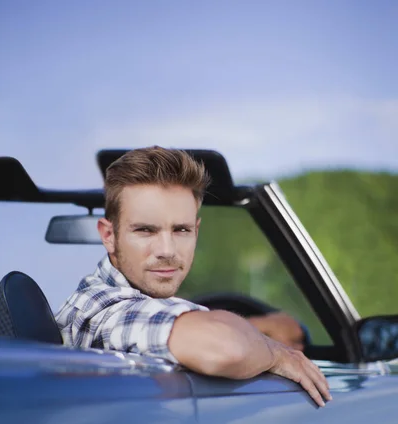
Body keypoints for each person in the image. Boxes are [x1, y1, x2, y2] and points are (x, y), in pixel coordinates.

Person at [56, 147, 331, 407]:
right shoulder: (99, 310)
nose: (167, 250)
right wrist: (278, 354)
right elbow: (225, 347)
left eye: (181, 230)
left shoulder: (141, 300)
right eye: (145, 231)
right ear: (108, 235)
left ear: (196, 231)